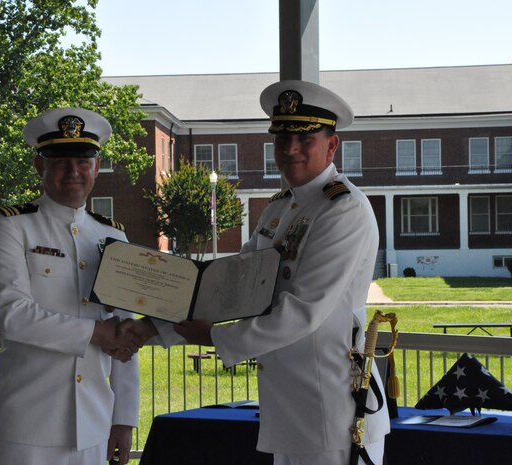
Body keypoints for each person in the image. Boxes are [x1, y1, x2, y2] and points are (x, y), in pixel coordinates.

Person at [133, 80, 390, 465]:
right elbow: (229, 287)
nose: (290, 149)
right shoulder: (279, 209)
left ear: (331, 145)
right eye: (282, 138)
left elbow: (302, 311)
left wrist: (216, 338)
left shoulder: (344, 210)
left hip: (332, 411)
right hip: (290, 410)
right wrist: (152, 327)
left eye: (305, 139)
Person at [0, 108, 143, 465]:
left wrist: (124, 419)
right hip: (24, 427)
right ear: (41, 167)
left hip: (94, 425)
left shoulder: (112, 235)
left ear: (97, 168)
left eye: (83, 162)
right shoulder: (10, 226)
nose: (73, 172)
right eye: (60, 161)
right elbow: (12, 315)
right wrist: (96, 333)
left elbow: (125, 329)